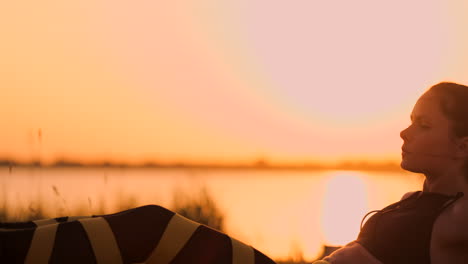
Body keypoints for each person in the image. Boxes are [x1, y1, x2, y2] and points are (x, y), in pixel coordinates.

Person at [313, 82, 468, 264]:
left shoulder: (459, 214)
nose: (404, 133)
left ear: (462, 147)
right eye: (412, 122)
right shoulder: (410, 200)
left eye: (424, 125)